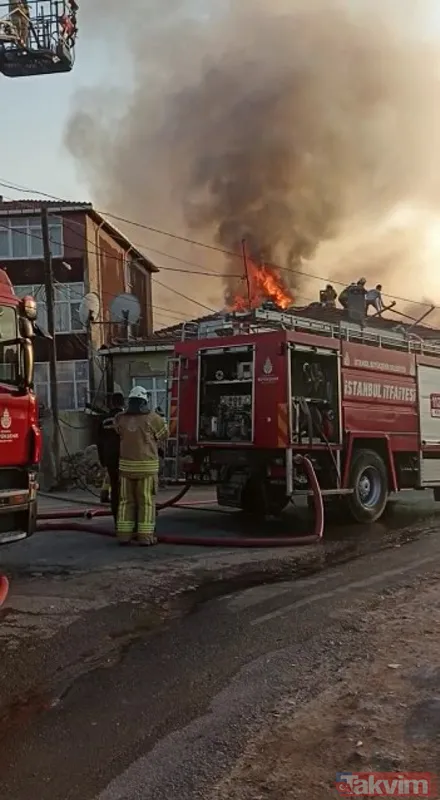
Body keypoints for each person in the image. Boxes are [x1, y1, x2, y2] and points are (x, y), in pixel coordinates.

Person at [114, 386, 168, 546]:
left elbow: (118, 431)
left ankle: (124, 535)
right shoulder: (153, 418)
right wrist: (161, 418)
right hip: (146, 468)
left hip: (125, 468)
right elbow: (164, 434)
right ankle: (145, 537)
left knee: (125, 501)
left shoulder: (120, 418)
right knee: (146, 502)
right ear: (145, 401)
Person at [96, 392, 125, 524]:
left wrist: (103, 460)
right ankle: (127, 519)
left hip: (110, 458)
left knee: (114, 489)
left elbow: (99, 442)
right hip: (126, 458)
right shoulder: (126, 418)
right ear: (123, 403)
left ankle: (117, 519)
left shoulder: (103, 420)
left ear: (111, 403)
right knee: (127, 489)